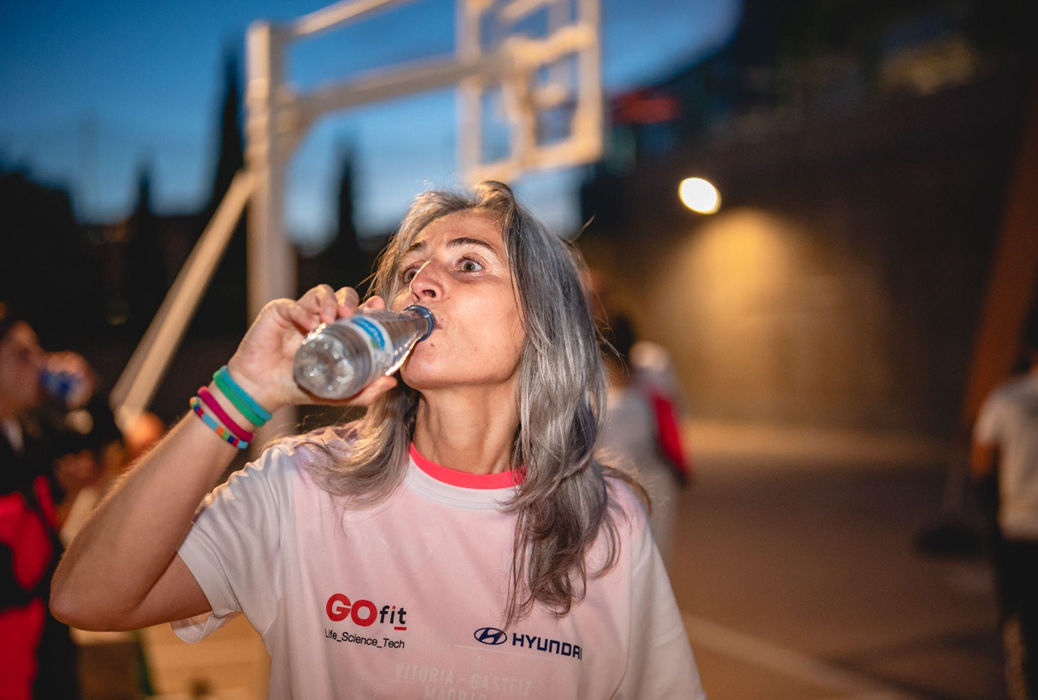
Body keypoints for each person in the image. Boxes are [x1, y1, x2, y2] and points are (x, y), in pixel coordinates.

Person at [51, 182, 706, 699]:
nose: (421, 282)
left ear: (545, 323)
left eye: (469, 264)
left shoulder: (607, 519)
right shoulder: (303, 485)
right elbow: (86, 598)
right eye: (411, 267)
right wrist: (243, 392)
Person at [1, 303, 117, 700]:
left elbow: (106, 447)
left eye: (37, 350)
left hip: (45, 634)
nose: (40, 362)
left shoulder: (31, 426)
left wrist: (92, 394)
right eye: (21, 355)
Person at [972, 309, 1038, 699]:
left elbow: (981, 465)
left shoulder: (1007, 397)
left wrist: (992, 514)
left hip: (1021, 530)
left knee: (1025, 638)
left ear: (1030, 349)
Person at [598, 313, 690, 567]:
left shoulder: (594, 401)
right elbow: (674, 423)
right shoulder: (651, 391)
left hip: (616, 490)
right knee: (650, 560)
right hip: (649, 486)